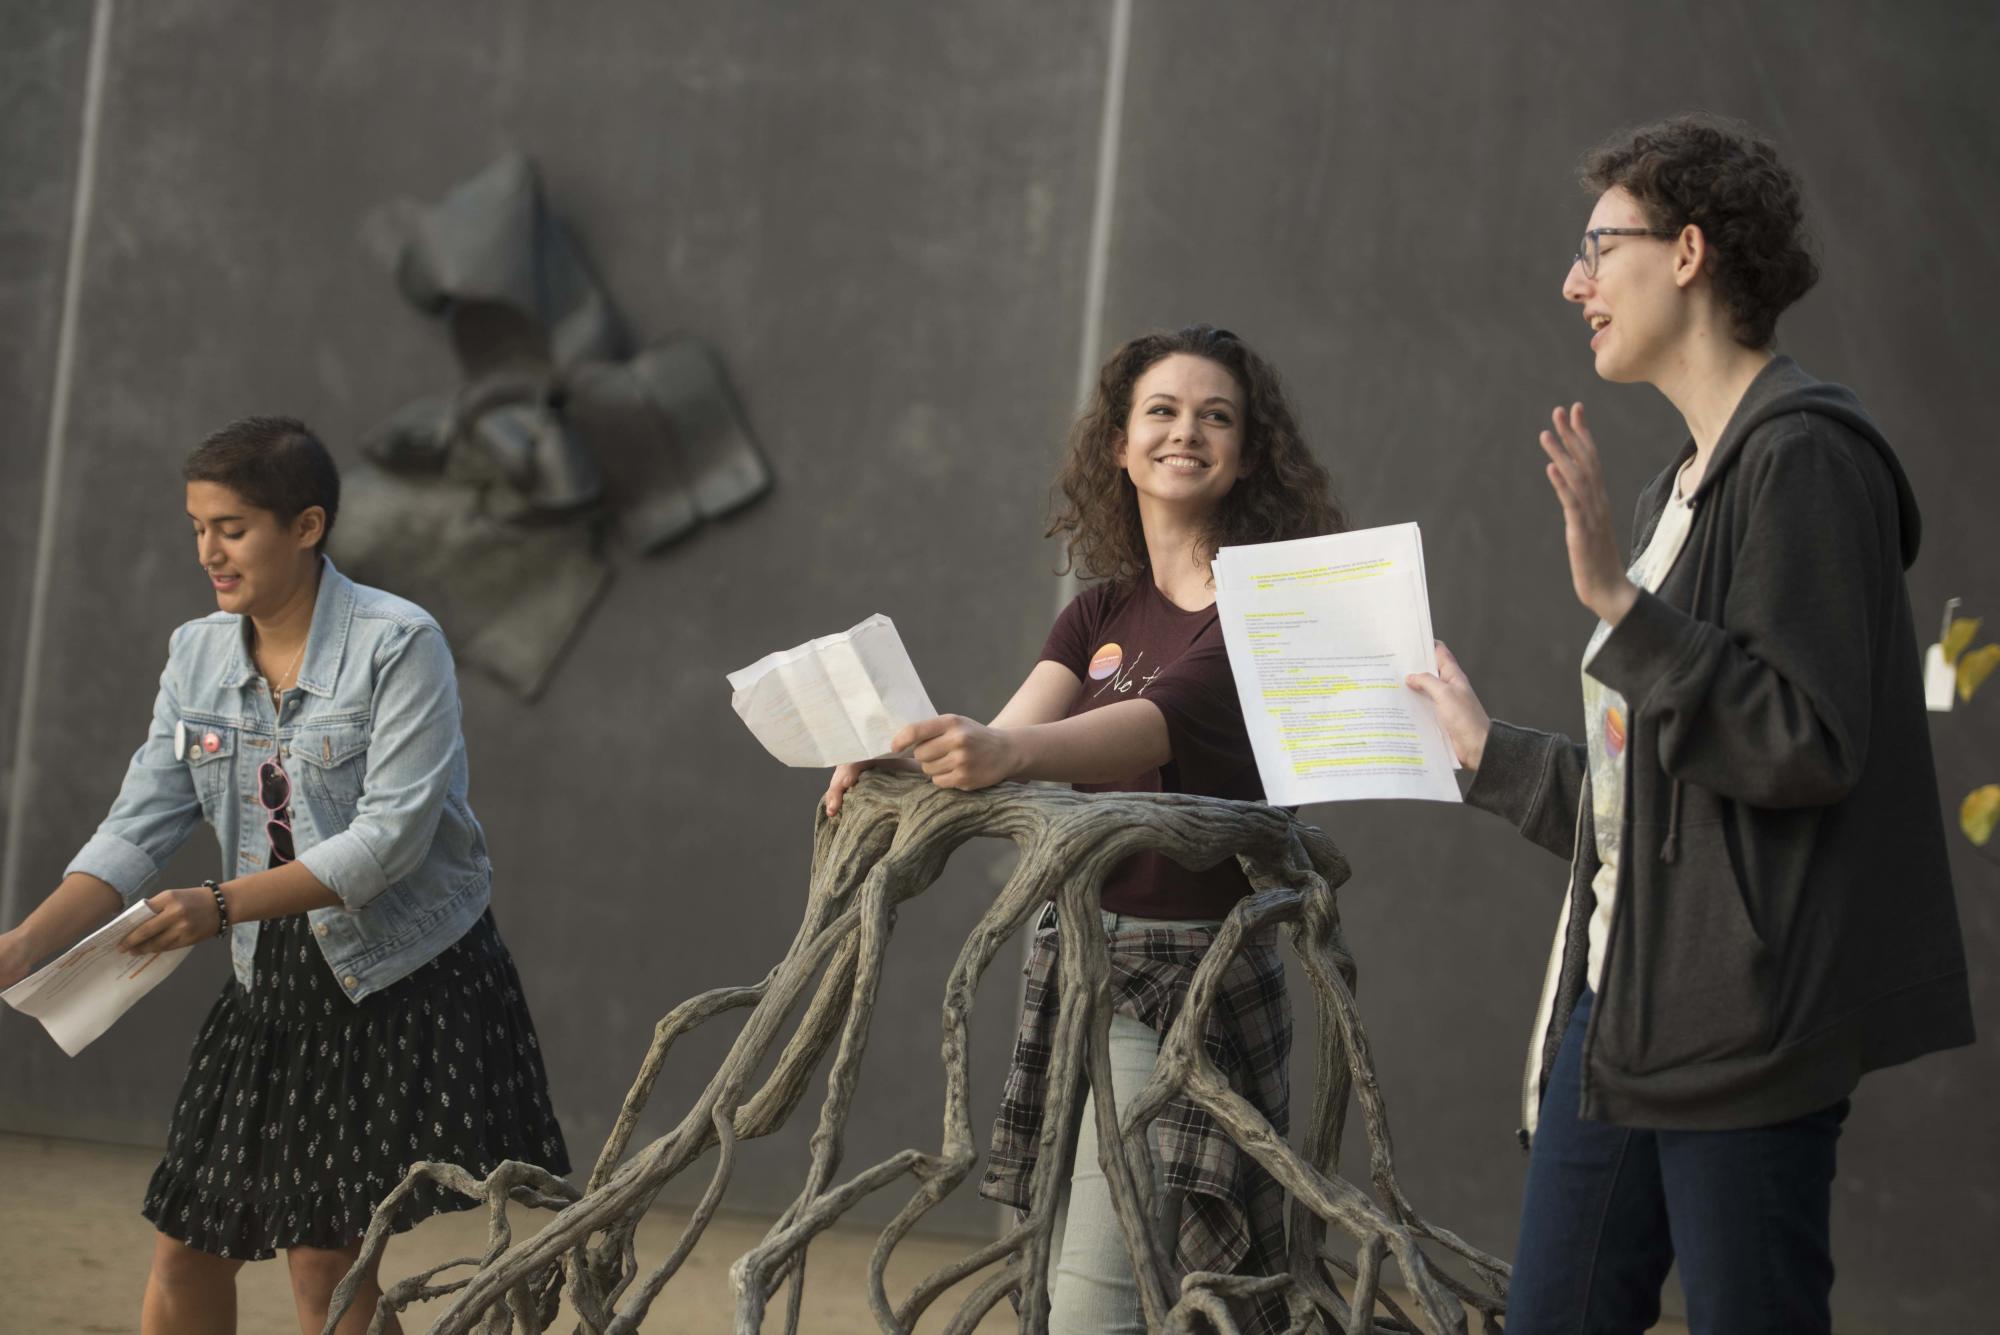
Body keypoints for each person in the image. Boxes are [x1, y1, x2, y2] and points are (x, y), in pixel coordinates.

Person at [1405, 114, 1974, 1334]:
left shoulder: (1802, 459)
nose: (1572, 283)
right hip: (1619, 1011)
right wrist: (1487, 755)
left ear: (1686, 252)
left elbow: (1800, 743)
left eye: (1595, 248)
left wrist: (1620, 607)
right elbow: (1661, 800)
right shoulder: (1677, 488)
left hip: (1742, 1029)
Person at [823, 325, 1342, 1334]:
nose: (1185, 431)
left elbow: (1151, 723)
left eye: (1216, 416)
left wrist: (1002, 753)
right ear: (1117, 443)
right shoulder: (1100, 611)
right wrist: (904, 758)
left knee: (1094, 1306)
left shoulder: (1266, 611)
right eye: (1161, 411)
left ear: (1248, 452)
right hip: (1080, 965)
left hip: (1184, 985)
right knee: (1091, 1284)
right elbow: (1007, 732)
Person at [0, 417, 571, 1335]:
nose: (208, 552)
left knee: (324, 1260)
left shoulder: (399, 642)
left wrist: (219, 903)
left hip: (396, 977)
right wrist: (26, 943)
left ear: (306, 526)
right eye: (197, 527)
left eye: (232, 528)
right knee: (187, 1246)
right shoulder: (196, 653)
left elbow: (387, 841)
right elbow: (139, 823)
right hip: (267, 975)